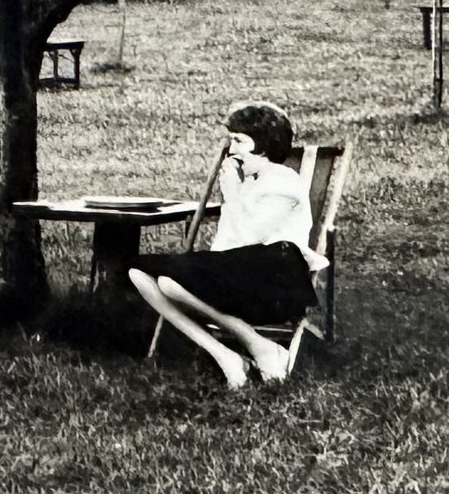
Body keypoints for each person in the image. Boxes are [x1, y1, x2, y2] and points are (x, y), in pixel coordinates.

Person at [122, 100, 318, 390]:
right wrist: (236, 194)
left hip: (276, 275)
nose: (232, 149)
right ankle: (226, 355)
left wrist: (232, 195)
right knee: (140, 274)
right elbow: (226, 247)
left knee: (172, 282)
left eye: (239, 141)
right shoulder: (249, 182)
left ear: (263, 145)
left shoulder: (283, 183)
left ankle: (261, 347)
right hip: (242, 269)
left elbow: (250, 237)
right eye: (231, 141)